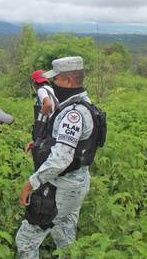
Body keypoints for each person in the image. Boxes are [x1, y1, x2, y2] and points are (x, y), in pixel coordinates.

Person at [16, 56, 106, 258]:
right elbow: (69, 145)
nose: (52, 84)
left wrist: (31, 184)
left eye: (55, 80)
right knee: (65, 236)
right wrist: (40, 144)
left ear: (68, 80)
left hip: (60, 187)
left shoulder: (73, 113)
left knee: (26, 240)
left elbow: (62, 159)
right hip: (77, 183)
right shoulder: (84, 103)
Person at [29, 70, 59, 146]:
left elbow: (48, 104)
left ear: (34, 82)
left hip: (49, 123)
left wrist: (40, 120)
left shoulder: (41, 90)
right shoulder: (51, 89)